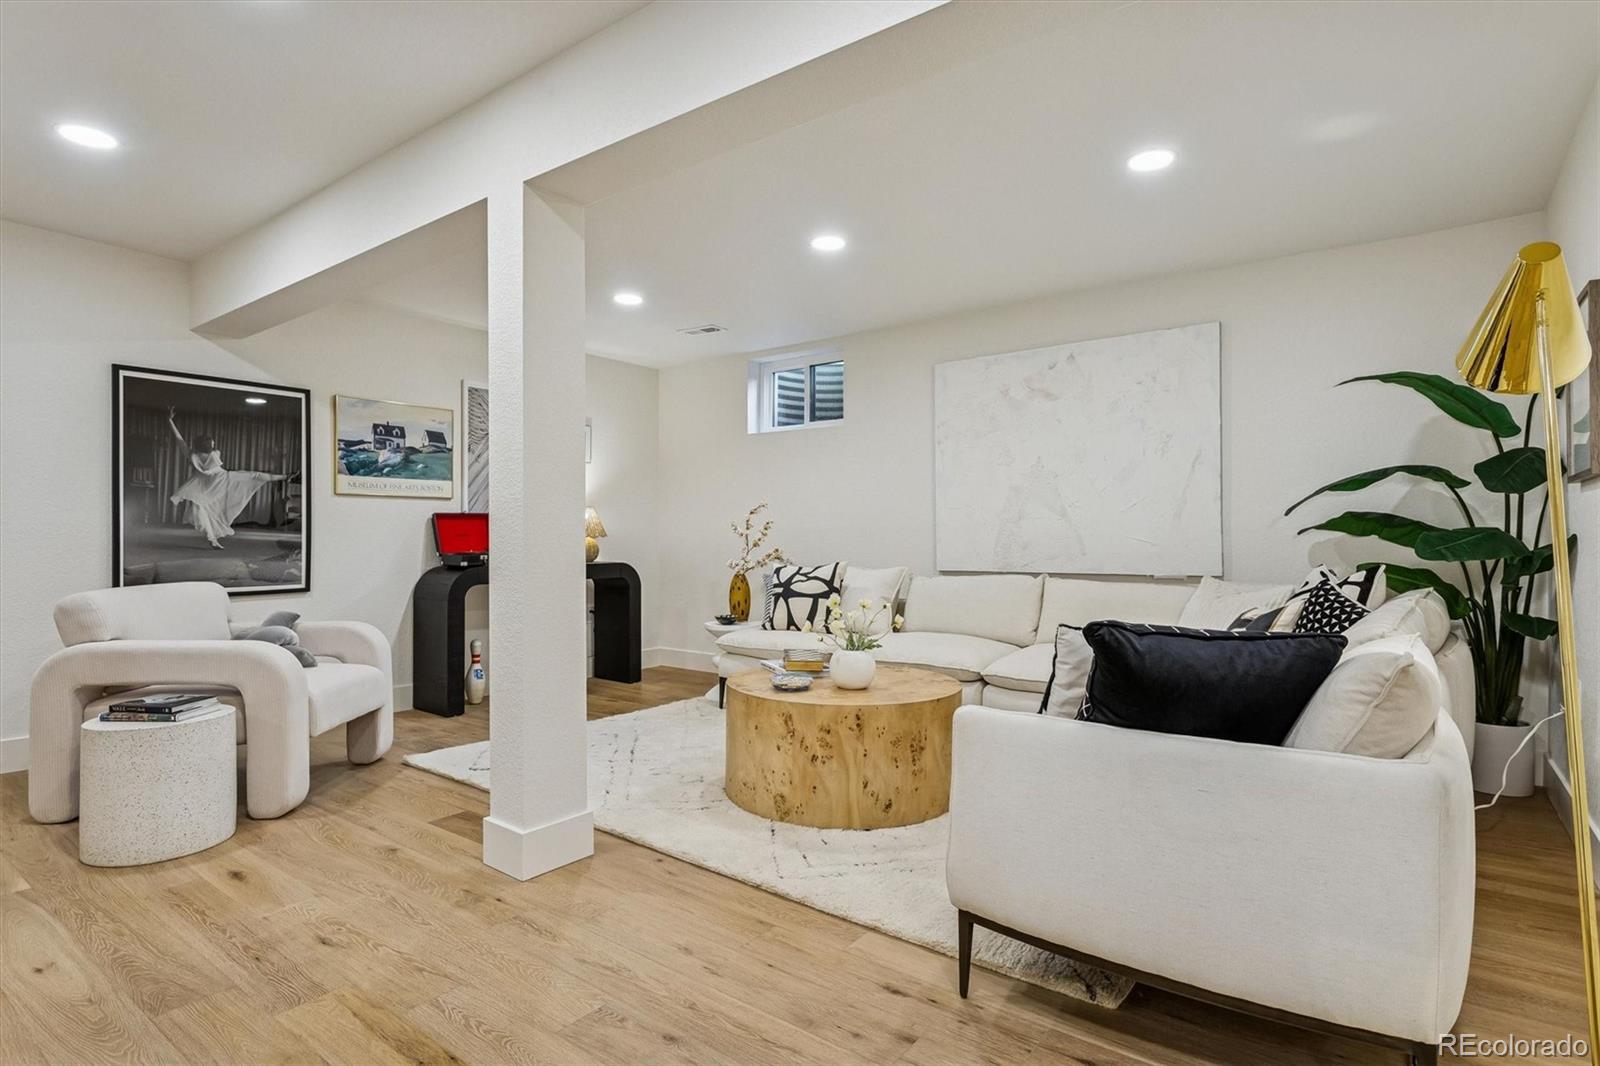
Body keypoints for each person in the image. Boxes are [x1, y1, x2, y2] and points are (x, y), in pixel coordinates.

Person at [166, 407, 294, 549]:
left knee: (202, 509)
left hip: (204, 484)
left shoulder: (192, 455)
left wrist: (170, 420)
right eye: (212, 442)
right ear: (208, 445)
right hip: (222, 479)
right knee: (254, 476)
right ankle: (285, 476)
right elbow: (186, 443)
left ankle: (212, 539)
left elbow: (179, 440)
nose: (214, 443)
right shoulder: (215, 454)